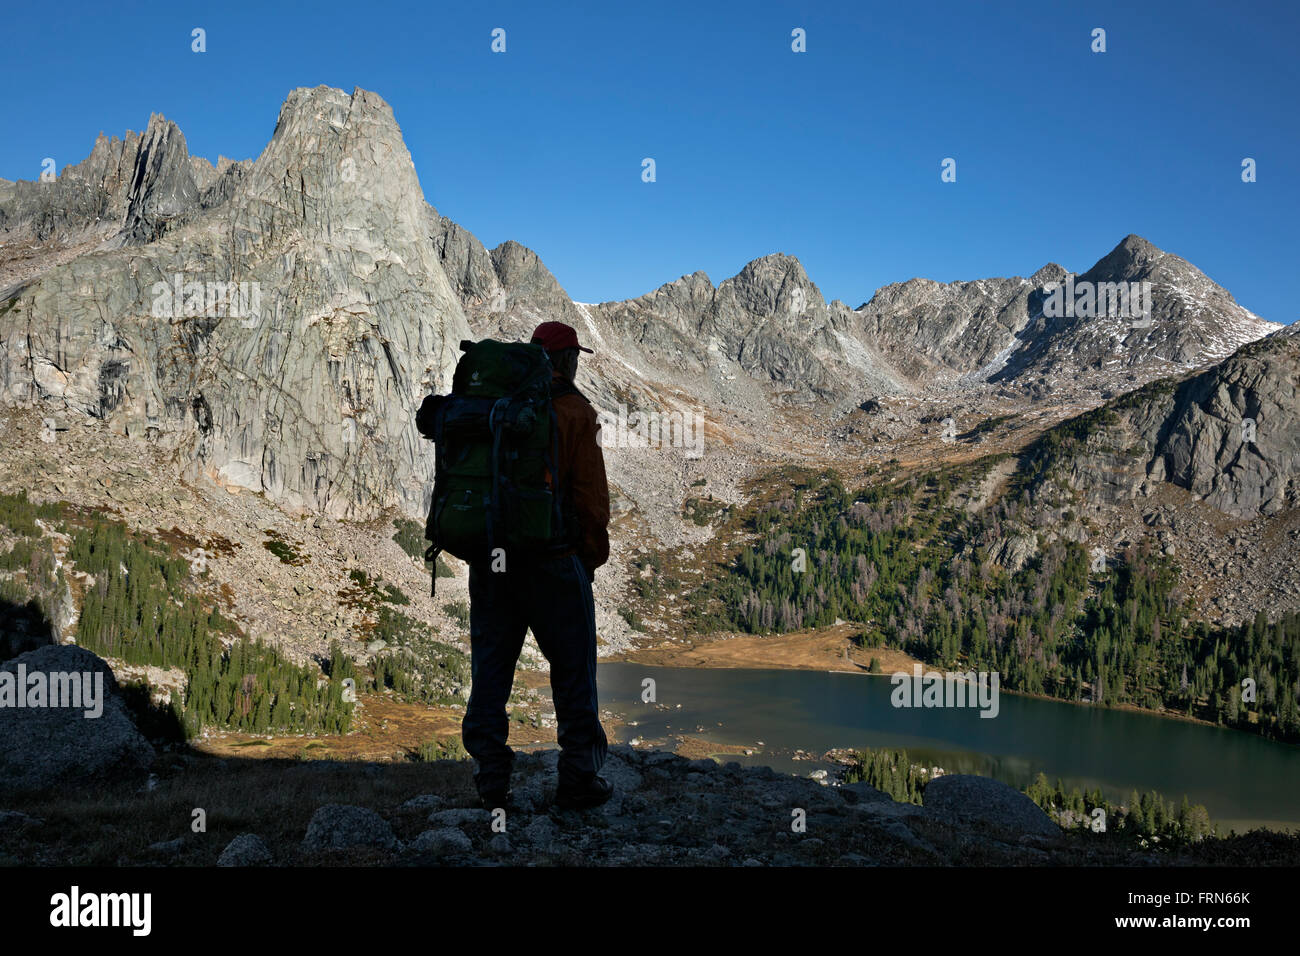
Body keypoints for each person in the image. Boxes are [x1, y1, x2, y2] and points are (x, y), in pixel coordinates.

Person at [461, 320, 613, 810]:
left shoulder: (494, 407)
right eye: (574, 356)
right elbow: (591, 501)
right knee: (573, 673)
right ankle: (578, 779)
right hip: (552, 562)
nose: (575, 363)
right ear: (566, 360)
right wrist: (587, 563)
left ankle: (490, 784)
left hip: (493, 563)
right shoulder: (574, 412)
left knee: (491, 671)